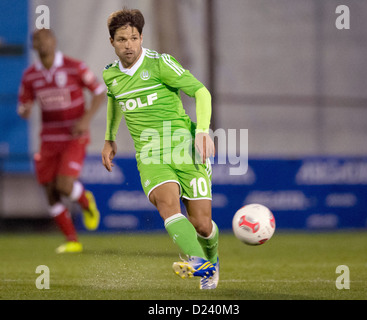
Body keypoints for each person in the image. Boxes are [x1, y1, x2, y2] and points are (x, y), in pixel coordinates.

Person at [101, 8, 219, 289]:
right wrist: (109, 138)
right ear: (112, 42)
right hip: (150, 154)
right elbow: (114, 101)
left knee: (202, 224)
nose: (128, 45)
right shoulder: (111, 76)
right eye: (121, 40)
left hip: (185, 148)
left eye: (133, 38)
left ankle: (211, 264)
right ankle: (199, 263)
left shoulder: (161, 64)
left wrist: (202, 131)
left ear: (141, 38)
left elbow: (201, 92)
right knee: (167, 204)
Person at [18, 29, 105, 253]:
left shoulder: (74, 66)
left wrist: (85, 120)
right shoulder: (30, 75)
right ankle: (72, 241)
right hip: (48, 139)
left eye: (46, 39)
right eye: (37, 40)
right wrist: (25, 110)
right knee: (50, 191)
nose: (42, 43)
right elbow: (24, 104)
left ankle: (86, 202)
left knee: (64, 185)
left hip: (74, 136)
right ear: (33, 46)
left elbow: (99, 92)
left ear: (54, 41)